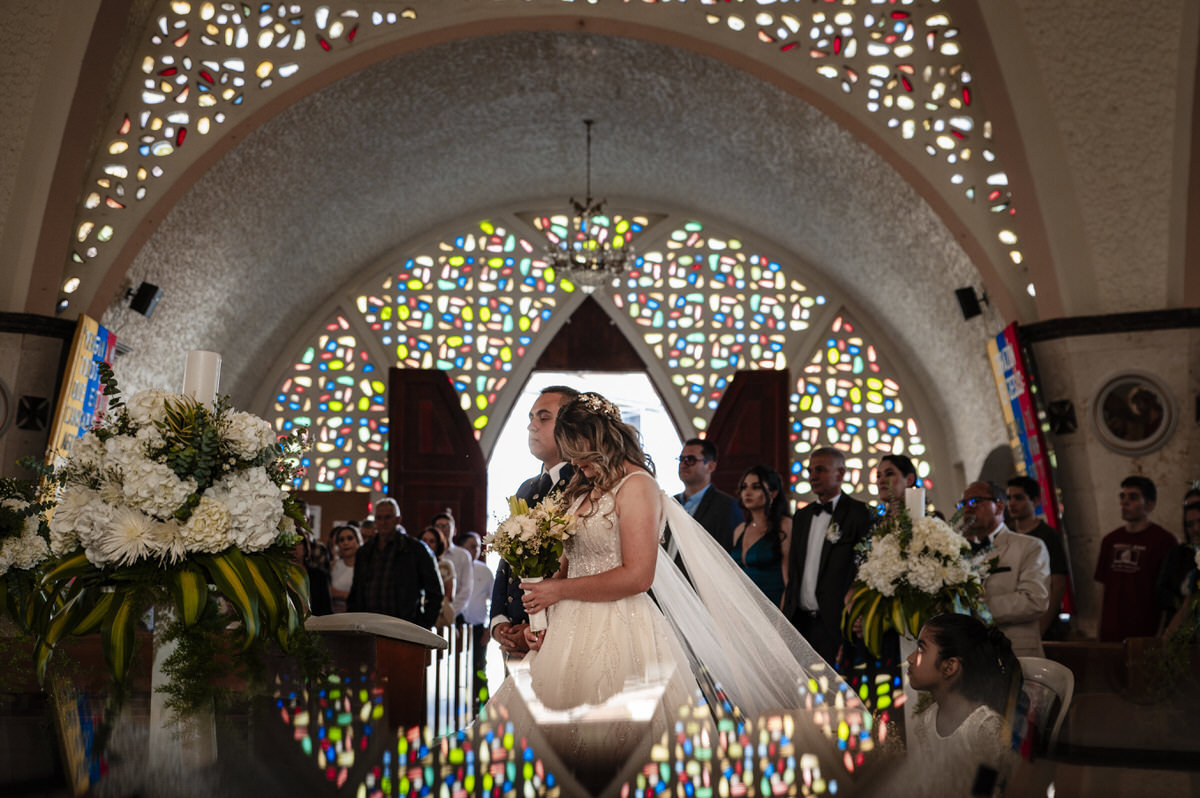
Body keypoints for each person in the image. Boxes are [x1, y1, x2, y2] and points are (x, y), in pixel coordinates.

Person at [513, 391, 846, 719]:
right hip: (567, 632)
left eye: (576, 450)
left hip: (620, 626)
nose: (572, 461)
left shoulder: (637, 486)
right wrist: (544, 614)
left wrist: (559, 591)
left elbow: (638, 576)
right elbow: (566, 567)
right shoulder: (584, 489)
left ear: (598, 439)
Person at [489, 385, 578, 659]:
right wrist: (500, 621)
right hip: (514, 633)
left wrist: (534, 625)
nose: (531, 426)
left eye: (543, 417)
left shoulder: (583, 486)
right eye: (530, 418)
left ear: (572, 426)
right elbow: (508, 560)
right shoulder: (526, 489)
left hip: (561, 634)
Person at [898, 614, 1021, 798]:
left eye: (921, 649)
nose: (910, 658)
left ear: (950, 667)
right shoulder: (927, 720)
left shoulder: (984, 728)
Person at [782, 446, 872, 663]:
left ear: (840, 474)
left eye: (820, 470)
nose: (813, 476)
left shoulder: (859, 514)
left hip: (838, 621)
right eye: (810, 471)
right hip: (801, 622)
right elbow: (795, 570)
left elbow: (866, 569)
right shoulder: (802, 516)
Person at [958, 481, 1050, 657]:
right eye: (962, 504)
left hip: (1016, 653)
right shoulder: (957, 552)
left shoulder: (1029, 546)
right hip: (972, 656)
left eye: (974, 501)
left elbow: (1034, 600)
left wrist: (976, 610)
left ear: (999, 506)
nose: (967, 509)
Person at [1094, 476, 1177, 642]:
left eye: (1132, 497)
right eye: (1122, 496)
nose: (1124, 502)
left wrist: (1161, 635)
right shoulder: (1110, 540)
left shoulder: (1164, 541)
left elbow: (1168, 594)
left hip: (1145, 631)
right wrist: (1099, 630)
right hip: (1111, 631)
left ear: (1150, 504)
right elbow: (1103, 588)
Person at [346, 500, 443, 627]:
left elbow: (435, 592)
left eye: (388, 517)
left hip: (404, 624)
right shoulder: (365, 552)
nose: (383, 522)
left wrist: (422, 625)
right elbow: (357, 590)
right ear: (375, 521)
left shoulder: (415, 550)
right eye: (379, 518)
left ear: (398, 520)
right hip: (369, 625)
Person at [1005, 476, 1071, 640]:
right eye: (1009, 498)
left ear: (1034, 501)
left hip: (1043, 621)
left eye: (1018, 498)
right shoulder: (1007, 536)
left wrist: (1042, 626)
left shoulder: (1048, 536)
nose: (1012, 503)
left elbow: (1058, 583)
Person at [729, 465, 792, 605]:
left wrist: (782, 618)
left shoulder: (784, 525)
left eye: (756, 487)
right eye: (744, 487)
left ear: (773, 493)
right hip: (743, 605)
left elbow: (789, 578)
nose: (747, 492)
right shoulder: (739, 530)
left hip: (773, 604)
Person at [673, 438, 742, 551]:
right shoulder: (672, 502)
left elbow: (727, 552)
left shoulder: (726, 506)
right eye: (681, 459)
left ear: (710, 466)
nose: (683, 465)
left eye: (690, 459)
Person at [459, 531, 494, 707]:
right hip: (457, 627)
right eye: (472, 546)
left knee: (479, 667)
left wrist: (488, 629)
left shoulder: (484, 571)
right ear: (462, 548)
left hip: (479, 628)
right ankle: (460, 705)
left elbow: (493, 601)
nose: (476, 550)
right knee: (459, 668)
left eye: (478, 546)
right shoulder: (454, 567)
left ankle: (482, 706)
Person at [1156, 490, 1200, 620]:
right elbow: (1160, 593)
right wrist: (1183, 604)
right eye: (1190, 525)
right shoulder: (1177, 553)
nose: (1196, 529)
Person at [432, 511, 473, 620]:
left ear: (454, 531)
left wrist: (448, 612)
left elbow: (466, 589)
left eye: (447, 526)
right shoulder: (428, 552)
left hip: (454, 613)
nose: (443, 529)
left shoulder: (463, 555)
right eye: (439, 526)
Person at [420, 525, 458, 630]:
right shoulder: (413, 564)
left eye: (431, 541)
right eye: (424, 540)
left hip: (439, 612)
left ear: (438, 545)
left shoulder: (445, 565)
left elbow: (450, 595)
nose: (426, 544)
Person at [329, 523, 361, 613]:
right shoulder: (332, 566)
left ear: (358, 541)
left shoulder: (365, 567)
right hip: (335, 616)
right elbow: (328, 592)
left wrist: (342, 595)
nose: (345, 543)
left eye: (350, 538)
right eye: (341, 540)